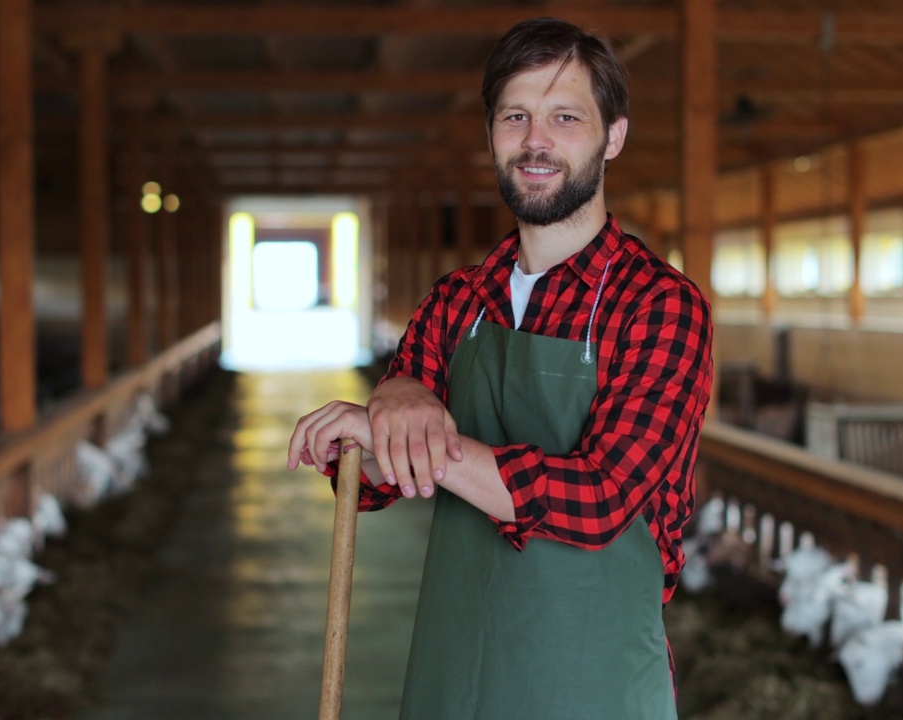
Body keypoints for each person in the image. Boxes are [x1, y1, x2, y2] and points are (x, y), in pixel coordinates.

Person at [288, 16, 713, 719]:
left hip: (591, 686)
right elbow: (373, 483)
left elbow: (602, 499)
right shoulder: (458, 302)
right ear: (491, 134)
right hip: (452, 676)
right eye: (515, 116)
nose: (536, 141)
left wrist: (416, 431)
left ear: (614, 137)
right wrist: (370, 428)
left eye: (565, 117)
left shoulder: (659, 306)